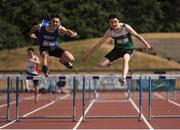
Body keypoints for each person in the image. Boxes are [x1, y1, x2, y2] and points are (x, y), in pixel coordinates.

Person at [82, 14, 151, 86]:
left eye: (115, 22)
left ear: (118, 21)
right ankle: (112, 61)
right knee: (101, 64)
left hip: (128, 49)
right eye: (111, 22)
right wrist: (88, 54)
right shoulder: (109, 32)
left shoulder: (125, 27)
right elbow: (99, 44)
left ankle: (123, 78)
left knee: (125, 59)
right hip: (117, 50)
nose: (114, 24)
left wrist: (146, 43)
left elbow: (136, 35)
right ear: (109, 23)